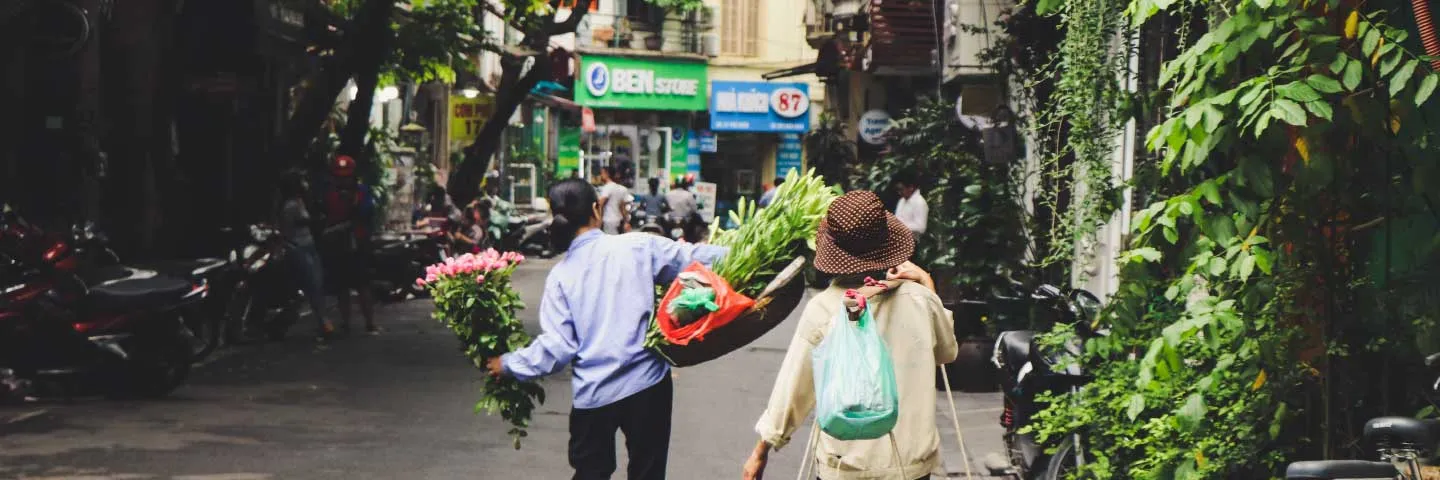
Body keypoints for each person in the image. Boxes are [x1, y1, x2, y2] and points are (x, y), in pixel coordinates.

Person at [484, 178, 727, 480]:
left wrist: (508, 364)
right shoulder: (639, 246)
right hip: (647, 385)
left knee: (590, 473)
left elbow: (558, 348)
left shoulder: (561, 277)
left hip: (594, 393)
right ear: (596, 209)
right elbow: (705, 259)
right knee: (648, 473)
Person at [741, 191, 959, 480]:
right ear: (887, 245)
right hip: (910, 466)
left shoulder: (823, 308)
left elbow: (793, 389)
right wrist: (928, 285)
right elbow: (947, 352)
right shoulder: (921, 300)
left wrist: (761, 451)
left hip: (844, 467)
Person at [319, 154, 379, 336]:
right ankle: (346, 323)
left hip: (357, 243)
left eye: (346, 176)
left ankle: (370, 323)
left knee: (362, 284)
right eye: (340, 176)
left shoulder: (362, 192)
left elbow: (368, 213)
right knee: (341, 286)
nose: (343, 180)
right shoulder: (328, 193)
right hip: (337, 244)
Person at [277, 171, 333, 340]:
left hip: (308, 246)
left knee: (315, 284)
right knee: (313, 286)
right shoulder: (290, 206)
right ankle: (323, 322)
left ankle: (321, 321)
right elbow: (291, 227)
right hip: (298, 247)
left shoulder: (300, 202)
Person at [893, 171, 929, 238]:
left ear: (911, 187)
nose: (899, 193)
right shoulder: (901, 201)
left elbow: (921, 228)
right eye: (898, 190)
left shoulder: (920, 202)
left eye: (901, 189)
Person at [597, 165, 631, 235]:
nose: (600, 175)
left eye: (602, 173)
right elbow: (623, 208)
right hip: (619, 220)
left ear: (607, 174)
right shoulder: (622, 188)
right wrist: (626, 222)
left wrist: (598, 220)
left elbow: (600, 204)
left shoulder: (607, 187)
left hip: (609, 220)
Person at [664, 177, 699, 242]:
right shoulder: (689, 195)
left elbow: (664, 207)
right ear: (685, 184)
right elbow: (694, 209)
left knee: (665, 234)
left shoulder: (668, 194)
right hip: (685, 223)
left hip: (671, 222)